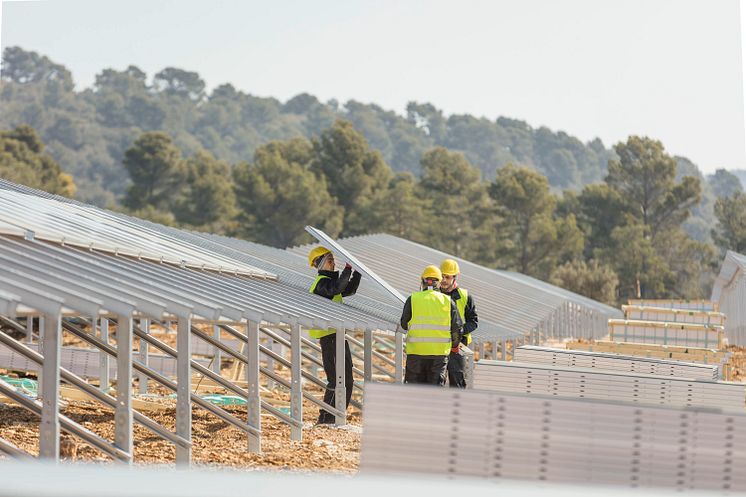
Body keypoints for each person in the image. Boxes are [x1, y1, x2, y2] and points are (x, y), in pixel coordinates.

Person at [307, 246, 361, 424]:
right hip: (329, 339)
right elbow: (337, 287)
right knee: (337, 379)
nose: (333, 262)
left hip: (337, 336)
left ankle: (336, 416)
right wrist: (347, 269)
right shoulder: (322, 284)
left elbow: (348, 289)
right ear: (320, 263)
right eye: (329, 260)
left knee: (346, 379)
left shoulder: (331, 284)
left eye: (333, 259)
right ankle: (326, 418)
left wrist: (356, 272)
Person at [399, 265, 462, 385]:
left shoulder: (412, 299)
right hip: (439, 356)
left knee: (414, 392)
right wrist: (454, 346)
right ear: (438, 282)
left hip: (415, 355)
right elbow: (457, 329)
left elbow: (404, 324)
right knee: (434, 395)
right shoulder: (448, 301)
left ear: (422, 281)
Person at [439, 259, 478, 388]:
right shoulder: (433, 295)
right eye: (442, 276)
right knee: (436, 381)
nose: (444, 280)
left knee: (457, 380)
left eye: (447, 277)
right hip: (437, 344)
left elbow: (473, 322)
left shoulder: (465, 296)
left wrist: (459, 331)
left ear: (455, 277)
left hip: (458, 345)